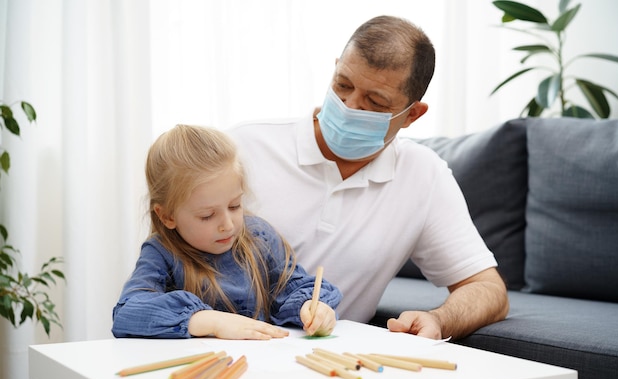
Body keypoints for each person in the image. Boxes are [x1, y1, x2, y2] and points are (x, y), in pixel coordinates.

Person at [227, 15, 509, 340]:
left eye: (375, 102)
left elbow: (488, 289)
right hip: (223, 343)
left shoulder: (422, 175)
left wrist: (439, 320)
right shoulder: (244, 147)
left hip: (328, 359)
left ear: (412, 114)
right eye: (342, 85)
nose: (349, 106)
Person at [111, 125, 342, 339]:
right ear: (167, 216)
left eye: (234, 206)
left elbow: (292, 286)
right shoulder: (161, 252)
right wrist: (208, 320)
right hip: (200, 372)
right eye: (207, 216)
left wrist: (311, 308)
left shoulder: (258, 236)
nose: (228, 225)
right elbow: (128, 311)